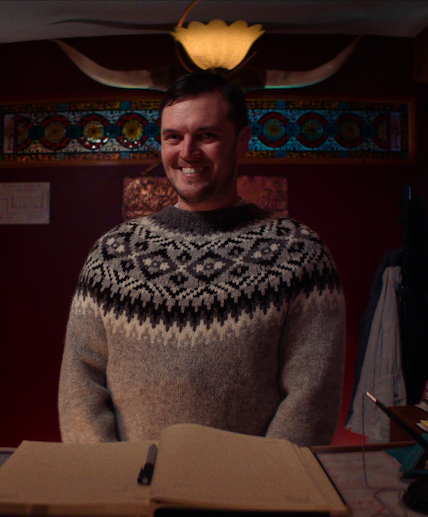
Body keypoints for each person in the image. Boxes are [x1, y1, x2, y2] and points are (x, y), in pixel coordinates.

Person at [58, 71, 345, 446]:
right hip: (133, 491)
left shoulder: (298, 252)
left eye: (206, 136)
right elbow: (81, 385)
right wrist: (110, 483)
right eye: (173, 137)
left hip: (251, 494)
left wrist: (268, 487)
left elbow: (312, 398)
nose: (187, 152)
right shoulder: (113, 252)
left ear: (241, 142)